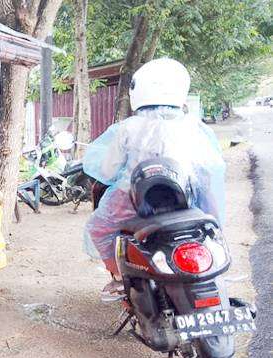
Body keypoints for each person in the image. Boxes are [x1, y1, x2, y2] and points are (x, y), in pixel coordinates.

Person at [83, 58, 226, 298]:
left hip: (133, 202)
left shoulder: (128, 128)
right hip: (186, 199)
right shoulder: (195, 127)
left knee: (97, 227)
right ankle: (213, 267)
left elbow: (107, 172)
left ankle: (119, 277)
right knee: (212, 226)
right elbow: (210, 169)